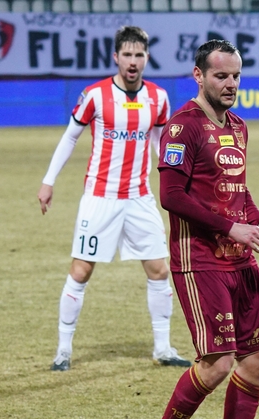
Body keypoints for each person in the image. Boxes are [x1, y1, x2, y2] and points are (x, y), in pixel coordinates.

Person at [140, 39, 259, 419]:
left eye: (236, 75)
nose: (231, 84)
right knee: (218, 363)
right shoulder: (182, 127)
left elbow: (238, 190)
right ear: (199, 76)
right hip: (199, 260)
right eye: (221, 76)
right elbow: (171, 196)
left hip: (240, 258)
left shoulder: (238, 127)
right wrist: (231, 227)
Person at [38, 25, 190, 372]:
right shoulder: (94, 95)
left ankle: (163, 348)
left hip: (139, 197)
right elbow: (70, 137)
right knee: (81, 271)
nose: (133, 61)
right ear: (116, 57)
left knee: (159, 269)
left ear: (146, 57)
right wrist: (48, 181)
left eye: (139, 55)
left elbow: (160, 141)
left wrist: (176, 176)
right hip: (100, 197)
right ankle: (63, 351)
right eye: (127, 55)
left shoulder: (158, 98)